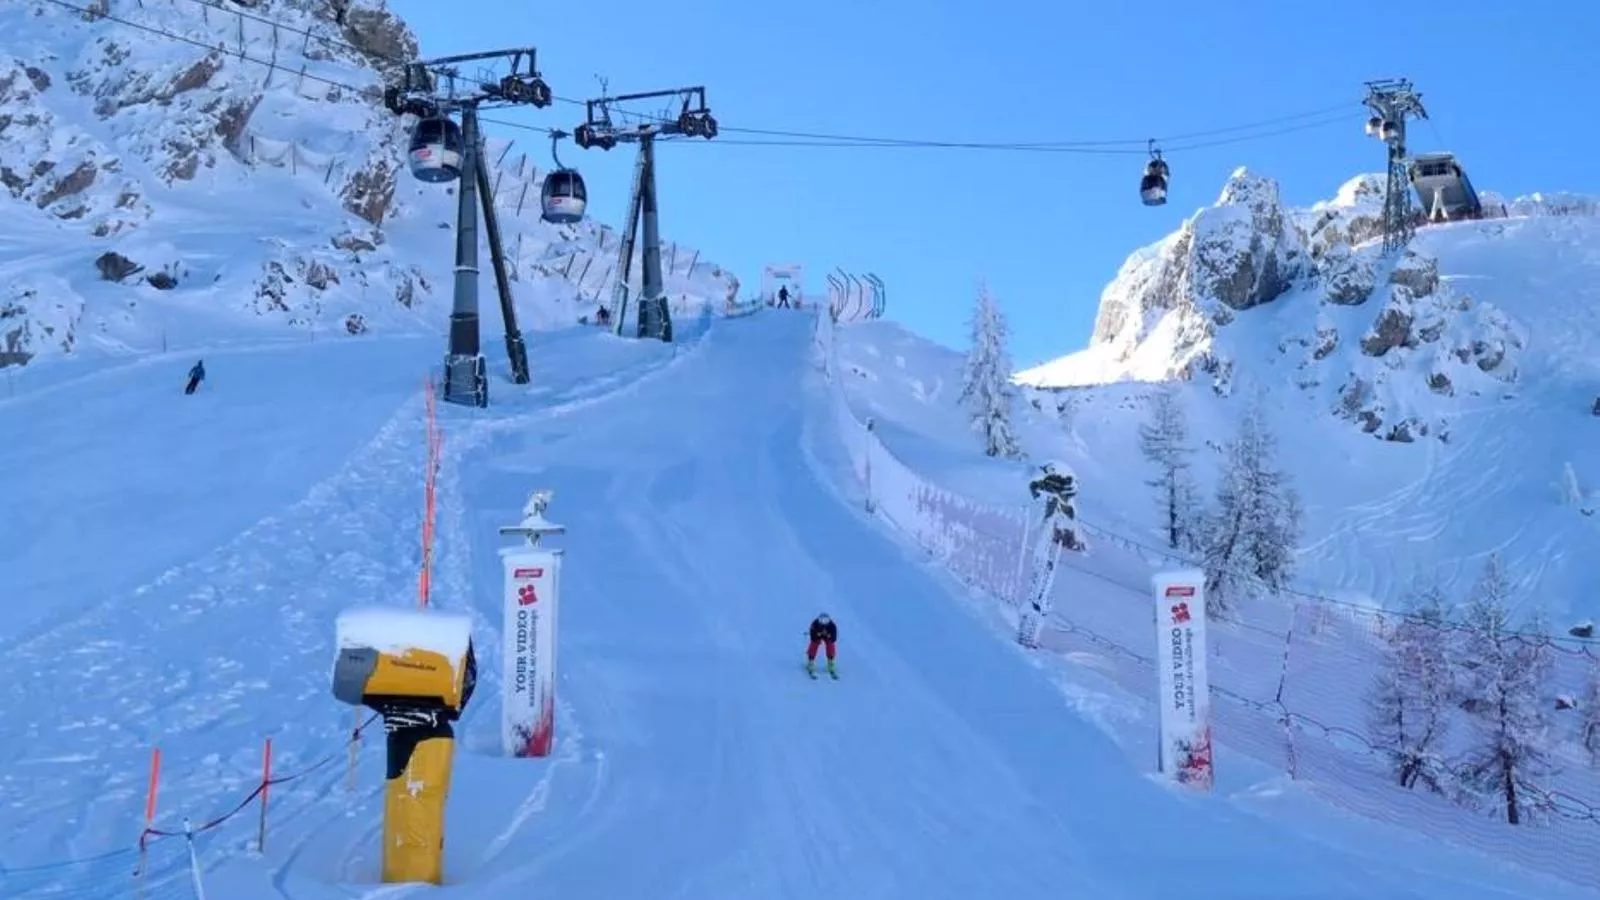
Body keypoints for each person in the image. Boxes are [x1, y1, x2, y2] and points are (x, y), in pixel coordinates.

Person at [1017, 460, 1082, 649]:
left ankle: (1030, 625)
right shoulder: (1041, 497)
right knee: (1039, 571)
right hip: (1038, 544)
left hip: (1045, 545)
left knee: (1043, 570)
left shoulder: (1060, 505)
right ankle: (1029, 626)